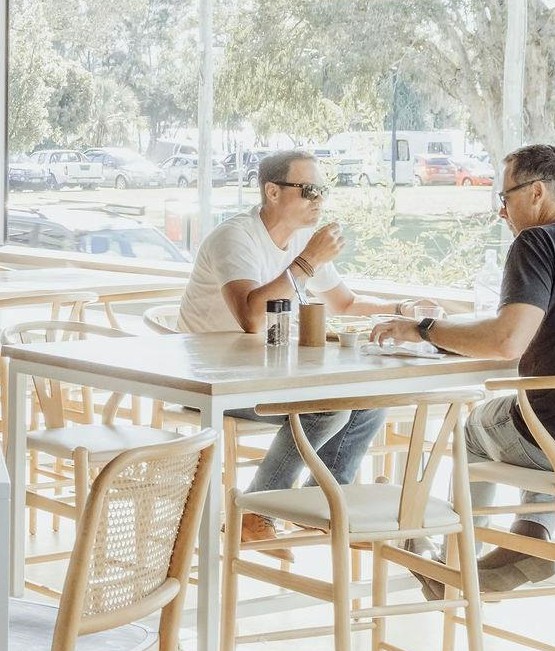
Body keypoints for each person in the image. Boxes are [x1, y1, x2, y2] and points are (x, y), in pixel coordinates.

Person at [370, 143, 555, 592]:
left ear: (537, 192)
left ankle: (448, 559)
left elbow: (506, 340)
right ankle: (531, 536)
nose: (502, 212)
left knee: (474, 428)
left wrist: (424, 330)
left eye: (504, 198)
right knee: (544, 416)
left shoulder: (538, 241)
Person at [180, 149, 421, 551]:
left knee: (370, 399)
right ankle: (256, 509)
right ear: (272, 192)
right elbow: (251, 318)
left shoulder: (301, 244)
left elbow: (343, 304)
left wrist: (400, 309)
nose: (318, 200)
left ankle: (326, 506)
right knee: (328, 406)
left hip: (266, 373)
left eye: (322, 190)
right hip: (209, 379)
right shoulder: (235, 237)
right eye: (308, 190)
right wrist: (307, 262)